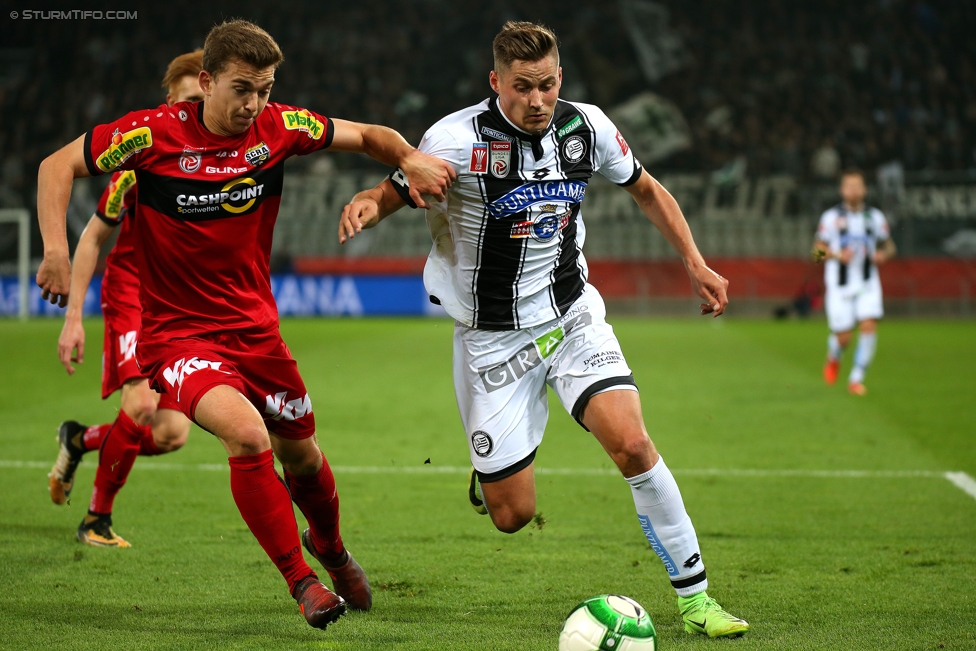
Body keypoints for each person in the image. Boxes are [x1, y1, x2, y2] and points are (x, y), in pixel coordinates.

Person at [36, 19, 454, 630]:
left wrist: (411, 158)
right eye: (241, 88)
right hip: (179, 336)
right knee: (248, 435)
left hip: (256, 332)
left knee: (304, 459)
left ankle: (332, 551)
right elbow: (56, 165)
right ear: (205, 82)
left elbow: (367, 134)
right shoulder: (147, 135)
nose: (253, 103)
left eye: (263, 88)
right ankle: (302, 582)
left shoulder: (278, 127)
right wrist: (54, 250)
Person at [338, 21, 749, 639]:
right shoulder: (453, 139)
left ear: (561, 78)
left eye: (548, 85)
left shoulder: (587, 127)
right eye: (523, 87)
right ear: (495, 81)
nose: (537, 100)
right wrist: (370, 203)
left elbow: (646, 189)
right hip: (491, 339)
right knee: (512, 515)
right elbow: (399, 185)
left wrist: (694, 260)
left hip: (570, 315)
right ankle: (495, 472)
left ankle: (696, 600)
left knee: (634, 446)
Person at [49, 50, 203, 550]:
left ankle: (79, 439)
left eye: (203, 102)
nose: (194, 113)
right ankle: (97, 519)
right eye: (187, 101)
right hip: (134, 293)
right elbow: (94, 237)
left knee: (169, 434)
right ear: (169, 102)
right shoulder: (139, 165)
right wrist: (74, 318)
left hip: (180, 303)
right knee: (138, 405)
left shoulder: (227, 161)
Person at [813, 169, 895, 395]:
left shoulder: (875, 217)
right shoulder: (831, 218)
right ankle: (834, 356)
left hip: (868, 283)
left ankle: (856, 378)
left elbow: (889, 246)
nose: (854, 190)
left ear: (865, 189)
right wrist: (837, 255)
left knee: (869, 325)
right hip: (839, 287)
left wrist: (882, 255)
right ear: (842, 190)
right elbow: (816, 253)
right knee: (844, 338)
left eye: (858, 186)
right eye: (849, 186)